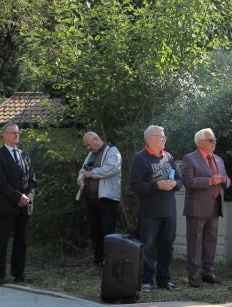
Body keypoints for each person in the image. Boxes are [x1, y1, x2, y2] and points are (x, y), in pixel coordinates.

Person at [129, 125, 182, 292]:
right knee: (148, 247)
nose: (164, 139)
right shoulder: (140, 158)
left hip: (169, 211)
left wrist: (175, 184)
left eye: (164, 137)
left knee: (167, 246)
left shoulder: (169, 157)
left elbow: (180, 180)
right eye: (161, 137)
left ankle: (164, 280)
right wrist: (156, 185)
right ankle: (147, 281)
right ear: (150, 138)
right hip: (149, 212)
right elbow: (135, 185)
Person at [181, 128, 230, 288]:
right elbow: (189, 181)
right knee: (195, 242)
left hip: (215, 205)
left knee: (211, 240)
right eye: (211, 140)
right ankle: (194, 276)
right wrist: (209, 181)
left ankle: (208, 271)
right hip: (197, 207)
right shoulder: (190, 158)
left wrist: (224, 181)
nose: (214, 143)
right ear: (200, 142)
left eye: (215, 140)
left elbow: (227, 179)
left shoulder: (218, 160)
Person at [0, 123, 36, 286]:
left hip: (25, 207)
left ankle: (19, 273)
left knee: (21, 240)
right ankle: (0, 274)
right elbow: (2, 183)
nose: (16, 135)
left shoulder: (24, 155)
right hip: (9, 205)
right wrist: (18, 197)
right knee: (3, 240)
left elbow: (32, 180)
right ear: (4, 135)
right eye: (13, 133)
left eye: (18, 133)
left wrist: (28, 197)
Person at [76, 131, 122, 266]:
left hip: (107, 199)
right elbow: (82, 171)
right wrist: (80, 180)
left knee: (107, 231)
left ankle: (109, 261)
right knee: (94, 231)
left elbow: (112, 168)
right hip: (91, 199)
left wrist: (91, 174)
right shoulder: (91, 154)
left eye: (88, 145)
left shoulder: (112, 151)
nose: (88, 148)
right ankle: (98, 259)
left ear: (95, 140)